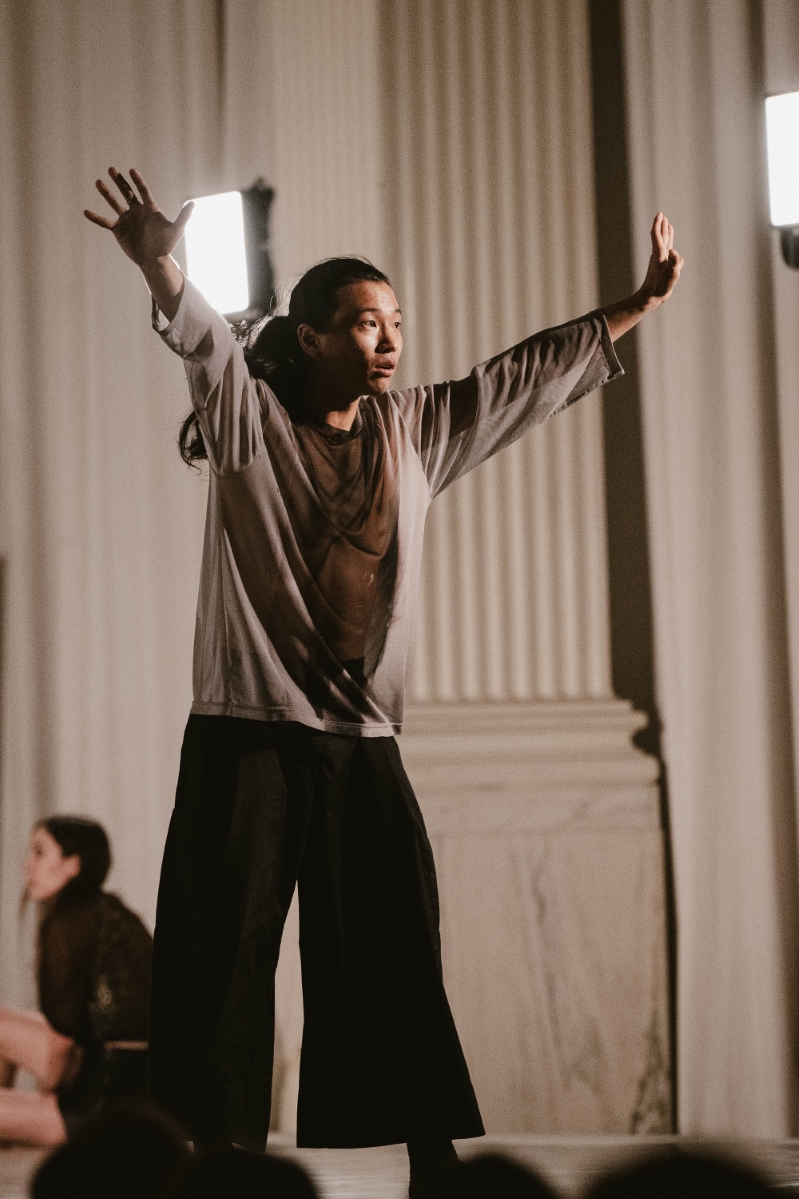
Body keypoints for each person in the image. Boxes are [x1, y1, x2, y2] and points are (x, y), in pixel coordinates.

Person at [84, 167, 682, 1193]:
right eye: (363, 322)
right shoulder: (249, 423)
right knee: (227, 955)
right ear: (311, 334)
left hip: (360, 739)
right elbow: (205, 345)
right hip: (249, 731)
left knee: (394, 942)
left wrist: (634, 305)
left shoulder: (415, 430)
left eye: (395, 320)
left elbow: (520, 377)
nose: (387, 337)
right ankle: (220, 1156)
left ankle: (428, 1151)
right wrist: (159, 264)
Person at [0, 816, 153, 1144]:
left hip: (103, 1104)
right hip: (136, 1081)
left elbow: (63, 1040)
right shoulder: (110, 911)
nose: (27, 865)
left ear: (73, 864)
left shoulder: (70, 924)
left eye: (39, 853)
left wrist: (48, 1096)